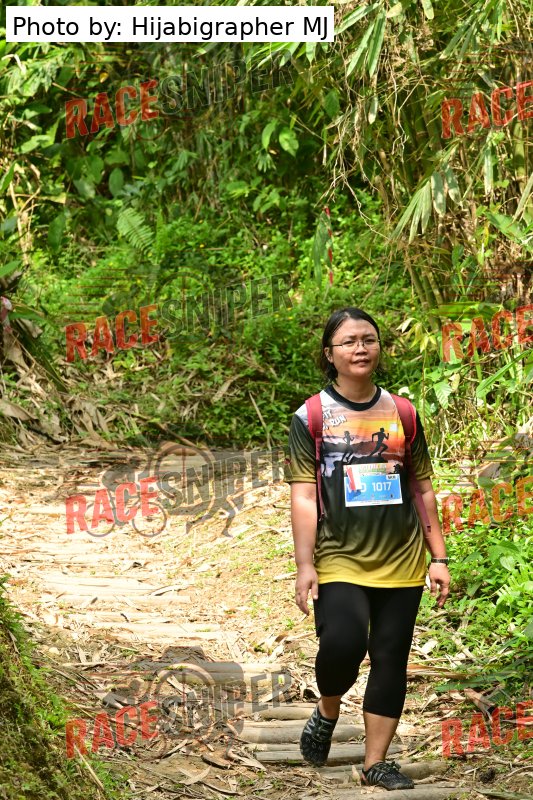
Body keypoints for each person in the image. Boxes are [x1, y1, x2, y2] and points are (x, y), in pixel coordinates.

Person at [284, 307, 450, 791]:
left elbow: (421, 487)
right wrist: (304, 564)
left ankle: (375, 762)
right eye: (349, 341)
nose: (360, 348)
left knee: (390, 656)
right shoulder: (312, 416)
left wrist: (438, 557)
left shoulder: (403, 413)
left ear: (379, 348)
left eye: (369, 339)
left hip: (402, 557)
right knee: (343, 642)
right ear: (329, 354)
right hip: (339, 555)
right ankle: (328, 707)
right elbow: (304, 495)